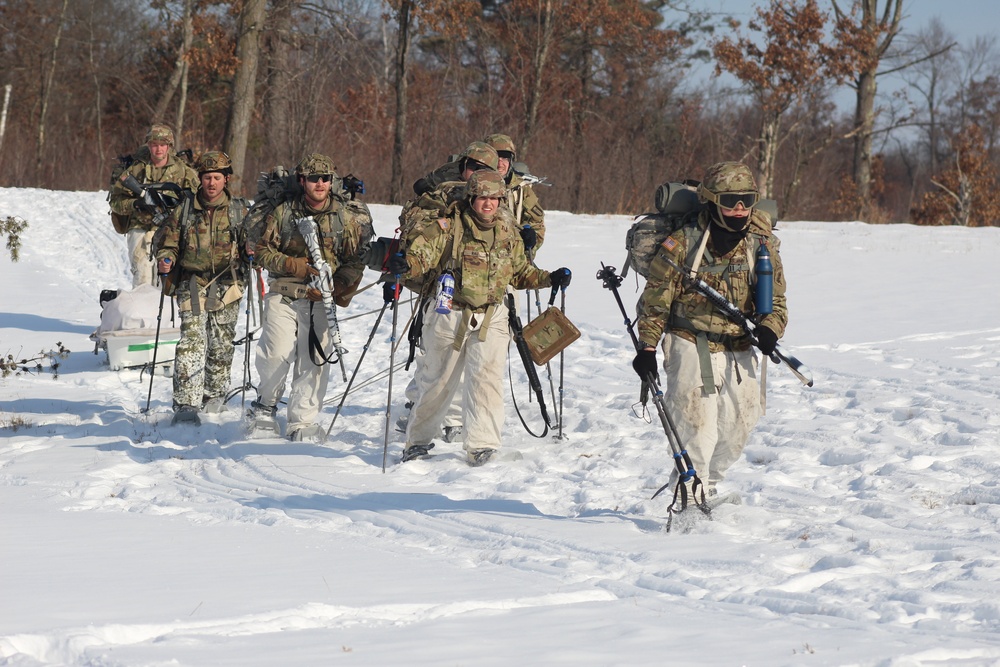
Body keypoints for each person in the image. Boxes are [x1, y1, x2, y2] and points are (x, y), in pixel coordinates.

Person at [389, 169, 572, 466]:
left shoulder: (507, 231)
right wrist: (404, 264)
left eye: (495, 198)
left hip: (492, 316)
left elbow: (520, 272)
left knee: (486, 382)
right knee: (439, 383)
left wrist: (550, 278)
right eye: (482, 197)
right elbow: (420, 258)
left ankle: (482, 445)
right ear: (471, 197)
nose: (488, 204)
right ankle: (418, 441)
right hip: (450, 313)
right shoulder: (447, 227)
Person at [631, 161, 787, 500]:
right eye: (730, 201)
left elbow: (777, 301)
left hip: (740, 342)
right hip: (690, 338)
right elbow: (657, 300)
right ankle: (689, 494)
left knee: (737, 430)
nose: (740, 209)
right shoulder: (683, 242)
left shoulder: (762, 244)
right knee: (697, 428)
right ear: (713, 201)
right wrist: (646, 349)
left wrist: (770, 329)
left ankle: (709, 485)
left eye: (747, 200)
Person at [251, 153, 374, 442]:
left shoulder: (345, 217)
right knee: (276, 354)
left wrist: (339, 284)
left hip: (322, 298)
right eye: (314, 178)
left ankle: (302, 421)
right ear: (302, 180)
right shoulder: (283, 212)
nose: (320, 184)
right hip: (285, 292)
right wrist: (297, 266)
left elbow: (356, 258)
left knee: (315, 360)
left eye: (326, 178)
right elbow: (262, 251)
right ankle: (265, 406)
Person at [399, 141, 502, 443]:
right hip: (442, 288)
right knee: (436, 362)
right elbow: (421, 234)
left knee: (480, 368)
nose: (475, 174)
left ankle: (458, 421)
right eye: (471, 167)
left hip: (484, 295)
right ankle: (419, 414)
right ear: (462, 166)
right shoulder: (441, 194)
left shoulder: (497, 201)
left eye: (483, 170)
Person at [154, 151, 249, 425]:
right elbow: (168, 242)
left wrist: (251, 251)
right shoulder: (184, 210)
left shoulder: (240, 211)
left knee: (221, 343)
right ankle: (185, 403)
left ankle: (214, 396)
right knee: (191, 343)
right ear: (200, 179)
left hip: (228, 283)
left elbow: (251, 243)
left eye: (217, 177)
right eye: (207, 177)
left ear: (226, 179)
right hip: (192, 283)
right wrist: (166, 259)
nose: (211, 183)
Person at [110, 124, 199, 287]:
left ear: (169, 146)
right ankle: (142, 312)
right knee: (142, 276)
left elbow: (197, 201)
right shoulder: (136, 170)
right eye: (154, 144)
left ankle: (162, 313)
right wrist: (136, 203)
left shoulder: (183, 171)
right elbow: (115, 202)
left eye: (163, 145)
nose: (158, 149)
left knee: (165, 280)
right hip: (141, 228)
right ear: (149, 145)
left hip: (170, 231)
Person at [482, 133, 546, 257]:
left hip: (511, 259)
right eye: (495, 157)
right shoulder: (472, 187)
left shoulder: (522, 190)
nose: (500, 163)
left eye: (505, 157)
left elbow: (537, 225)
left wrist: (531, 240)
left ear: (511, 160)